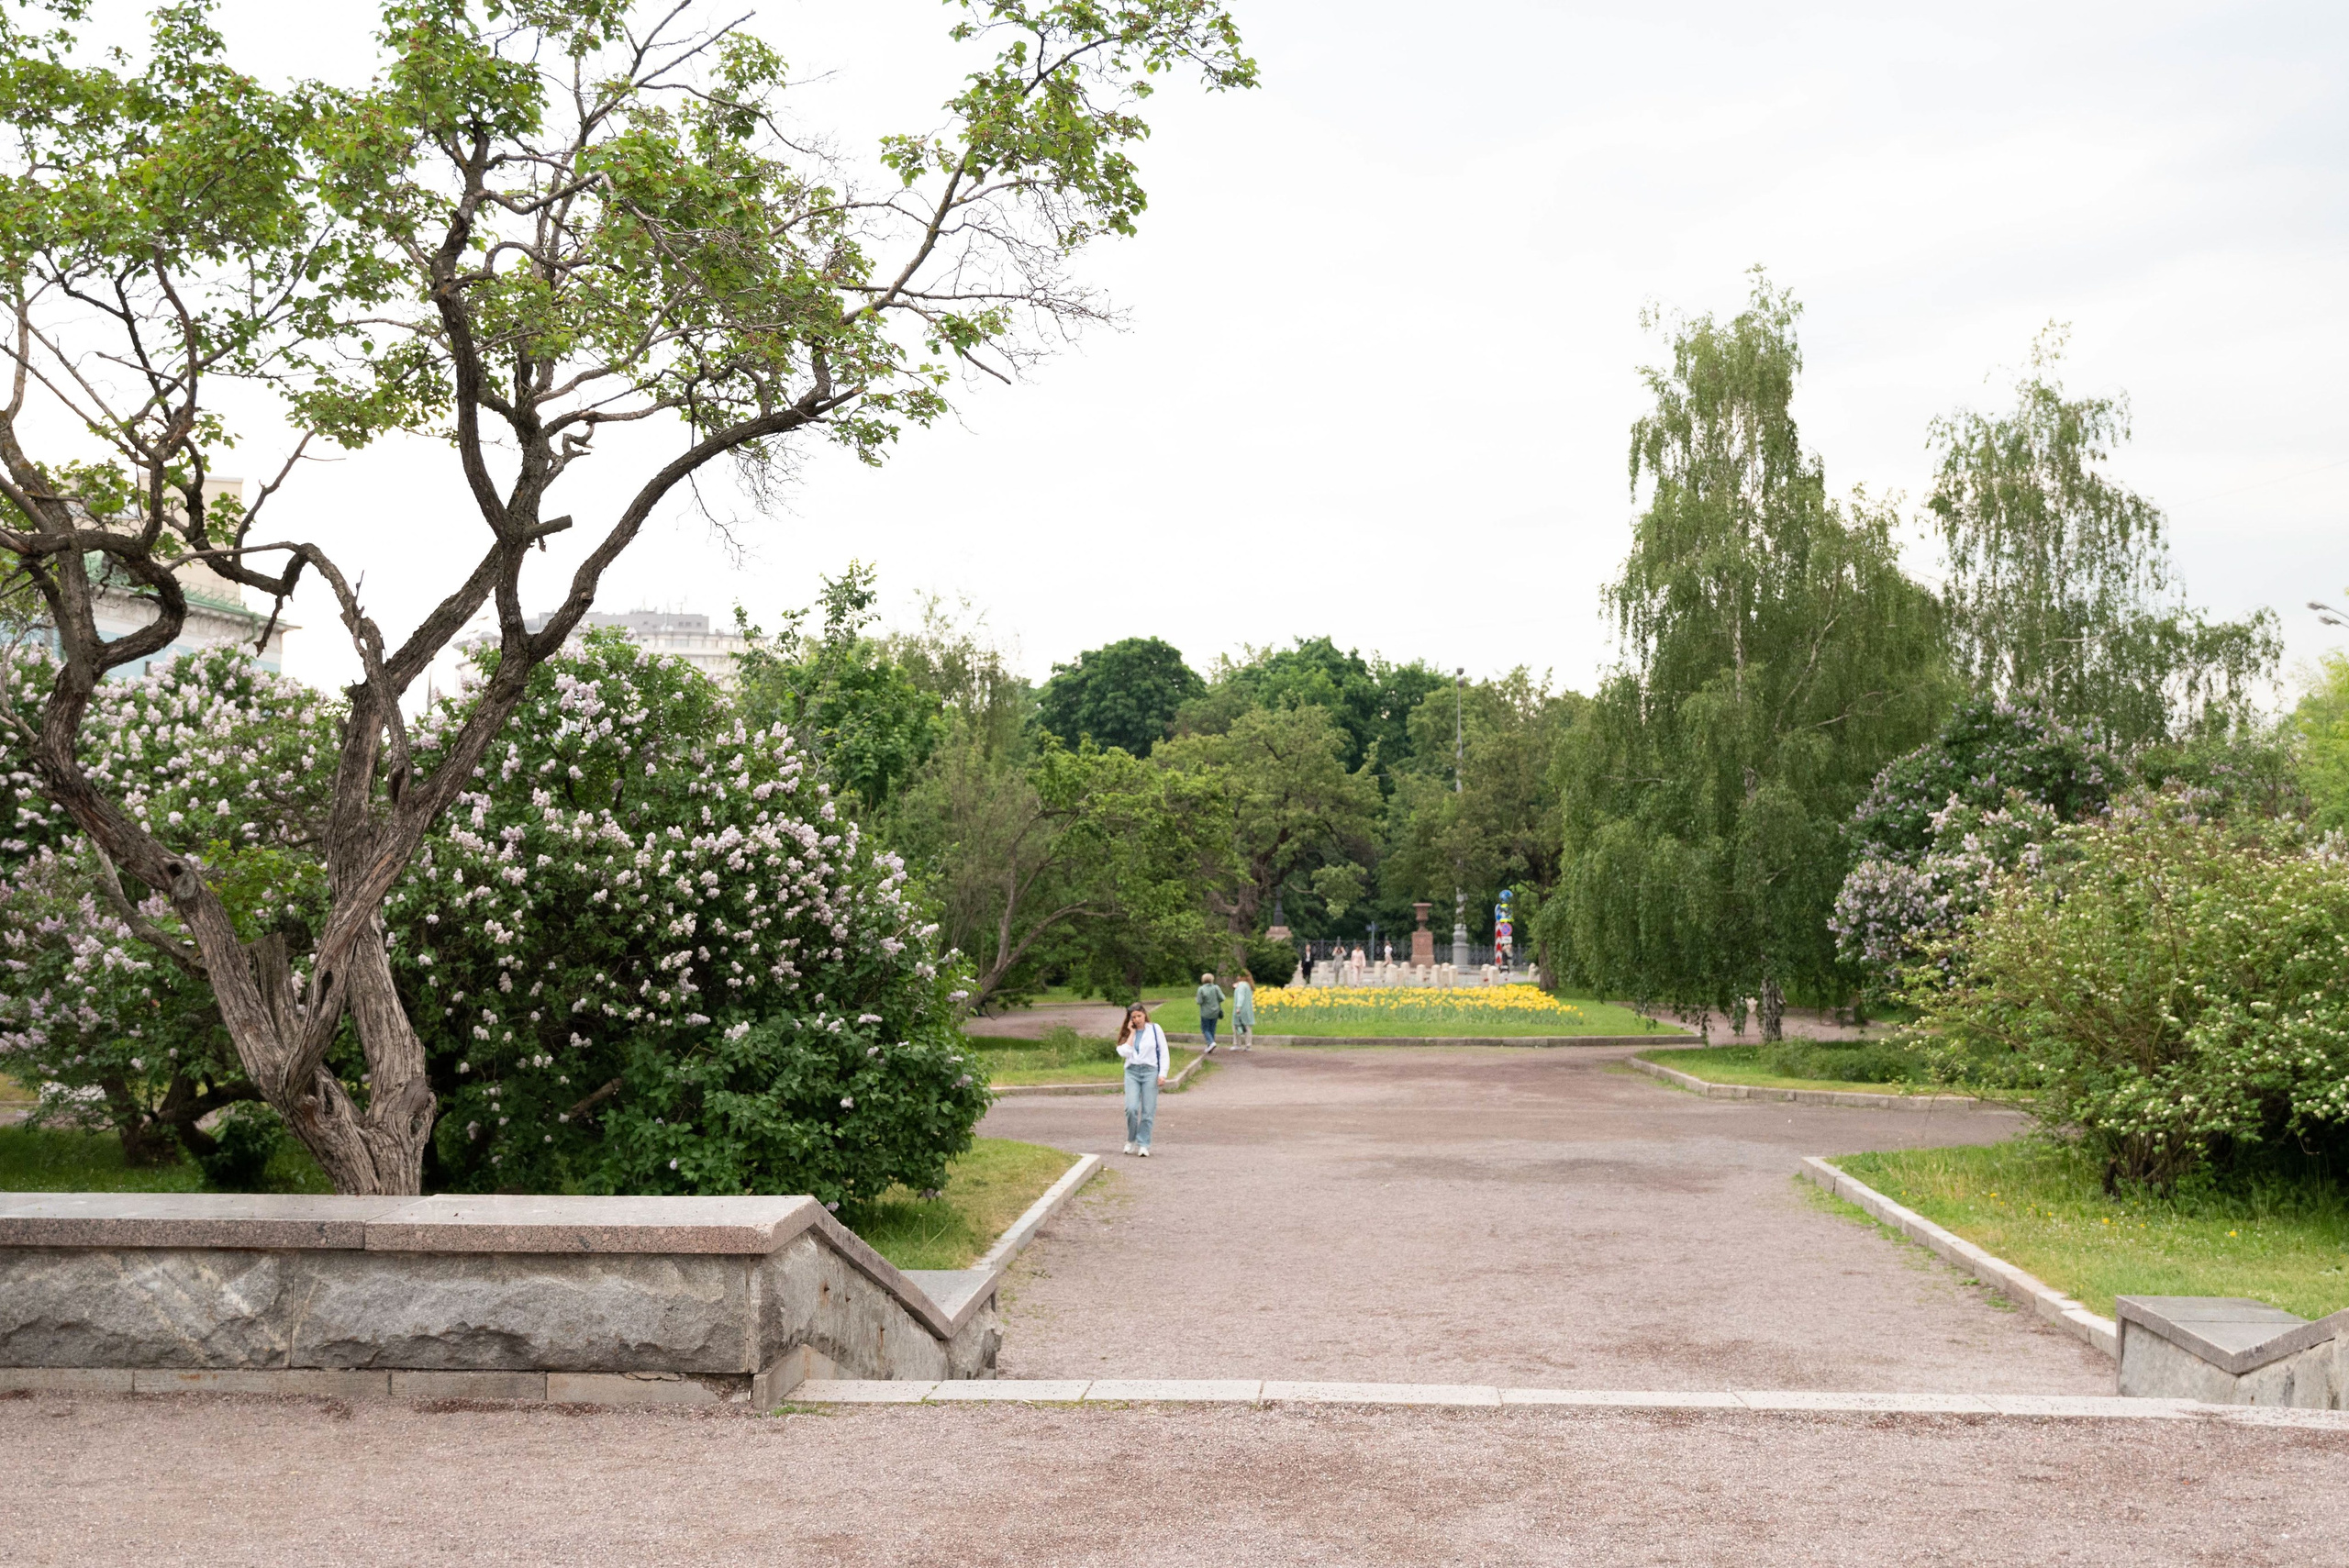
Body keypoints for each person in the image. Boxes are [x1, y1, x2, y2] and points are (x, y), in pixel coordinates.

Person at [1116, 1003, 1170, 1156]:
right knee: (1131, 1108)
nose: (1137, 1019)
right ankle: (1131, 1139)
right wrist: (1132, 1034)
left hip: (1150, 1071)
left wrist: (1163, 1073)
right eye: (1134, 1017)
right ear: (1130, 1019)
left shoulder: (1154, 1029)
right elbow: (1124, 1052)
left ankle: (1144, 1143)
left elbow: (1164, 1051)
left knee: (1148, 1110)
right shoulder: (1127, 1033)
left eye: (1139, 1016)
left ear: (1144, 1015)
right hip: (1132, 1071)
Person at [1194, 970, 1224, 1053]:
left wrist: (1197, 999)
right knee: (1212, 1029)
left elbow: (1199, 1001)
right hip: (1215, 1012)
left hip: (1205, 1012)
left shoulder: (1201, 989)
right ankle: (1210, 1045)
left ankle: (1211, 1043)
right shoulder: (1216, 988)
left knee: (1205, 1029)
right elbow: (1222, 998)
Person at [1230, 969, 1255, 1051]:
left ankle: (1237, 1044)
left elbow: (1241, 996)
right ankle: (1248, 1045)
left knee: (1236, 1026)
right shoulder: (1248, 986)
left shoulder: (1241, 985)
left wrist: (1238, 1007)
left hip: (1241, 1009)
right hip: (1248, 1009)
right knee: (1247, 1027)